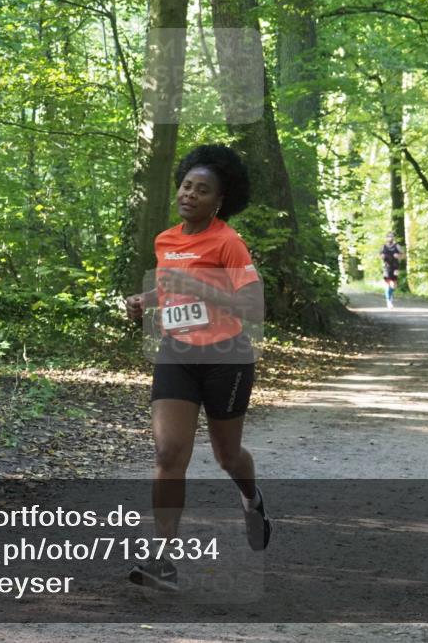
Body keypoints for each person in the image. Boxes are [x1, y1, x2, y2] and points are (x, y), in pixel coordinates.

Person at [124, 144, 270, 592]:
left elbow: (253, 304)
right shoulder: (166, 239)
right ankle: (163, 560)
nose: (190, 194)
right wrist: (144, 301)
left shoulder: (228, 242)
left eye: (202, 190)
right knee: (168, 454)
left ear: (219, 200)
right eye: (187, 185)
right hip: (176, 355)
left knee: (228, 456)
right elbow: (172, 291)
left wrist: (199, 287)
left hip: (226, 358)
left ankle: (251, 497)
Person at [379, 232, 404, 308]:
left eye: (392, 237)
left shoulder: (397, 246)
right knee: (387, 284)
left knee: (393, 285)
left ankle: (390, 298)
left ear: (394, 238)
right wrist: (382, 257)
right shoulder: (383, 247)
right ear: (386, 238)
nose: (390, 238)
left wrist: (398, 256)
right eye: (389, 237)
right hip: (386, 267)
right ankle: (388, 301)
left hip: (395, 267)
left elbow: (403, 255)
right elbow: (379, 255)